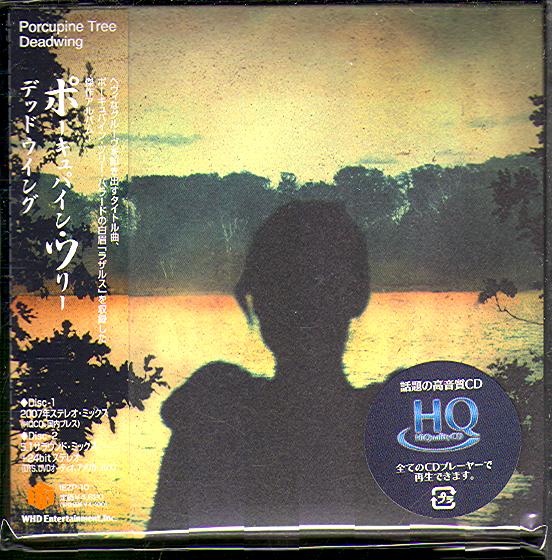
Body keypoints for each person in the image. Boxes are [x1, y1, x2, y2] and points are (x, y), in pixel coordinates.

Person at [148, 201, 394, 530]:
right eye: (286, 285)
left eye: (316, 283)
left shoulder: (213, 415)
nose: (303, 304)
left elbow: (164, 540)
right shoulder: (397, 424)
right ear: (358, 296)